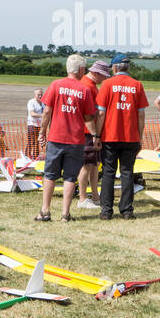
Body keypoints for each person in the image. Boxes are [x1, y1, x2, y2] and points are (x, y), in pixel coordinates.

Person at [36, 54, 97, 222]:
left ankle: (45, 211)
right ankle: (65, 214)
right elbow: (88, 117)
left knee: (50, 174)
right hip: (76, 140)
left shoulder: (56, 85)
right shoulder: (84, 89)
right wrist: (95, 135)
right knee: (70, 177)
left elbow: (47, 111)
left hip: (56, 138)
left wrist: (42, 132)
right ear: (81, 70)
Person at [96, 58, 149, 219]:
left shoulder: (107, 84)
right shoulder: (137, 85)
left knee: (108, 173)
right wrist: (139, 137)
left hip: (110, 136)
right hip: (131, 137)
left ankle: (106, 211)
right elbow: (141, 115)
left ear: (114, 67)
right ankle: (126, 210)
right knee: (127, 173)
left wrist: (97, 135)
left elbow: (101, 113)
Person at [77, 60, 111, 209]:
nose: (104, 79)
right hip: (88, 132)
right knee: (87, 165)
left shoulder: (89, 85)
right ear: (96, 73)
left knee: (94, 164)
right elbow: (89, 113)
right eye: (103, 76)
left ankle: (95, 196)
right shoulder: (88, 87)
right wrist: (95, 134)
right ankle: (83, 198)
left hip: (90, 131)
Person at [25, 89, 44, 159]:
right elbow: (32, 114)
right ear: (35, 95)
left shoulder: (43, 103)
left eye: (41, 94)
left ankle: (36, 157)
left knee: (38, 142)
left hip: (40, 126)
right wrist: (43, 115)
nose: (40, 96)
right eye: (38, 94)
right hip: (32, 125)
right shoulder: (31, 102)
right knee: (31, 142)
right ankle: (26, 157)